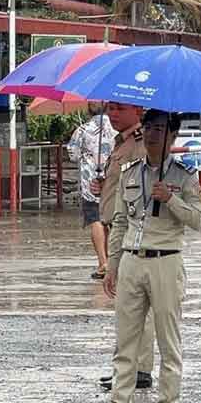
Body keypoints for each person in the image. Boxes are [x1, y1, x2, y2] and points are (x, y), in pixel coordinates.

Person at [90, 108, 201, 403]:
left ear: (172, 135)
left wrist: (171, 199)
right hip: (131, 260)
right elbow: (120, 221)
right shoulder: (130, 173)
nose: (153, 134)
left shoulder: (184, 175)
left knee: (169, 337)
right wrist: (112, 266)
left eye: (159, 128)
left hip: (166, 260)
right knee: (126, 337)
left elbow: (198, 220)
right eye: (149, 127)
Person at [95, 102, 155, 394]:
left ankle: (138, 369)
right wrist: (101, 186)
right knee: (128, 306)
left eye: (119, 109)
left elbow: (140, 188)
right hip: (116, 228)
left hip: (133, 232)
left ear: (137, 111)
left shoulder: (140, 144)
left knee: (135, 306)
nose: (112, 115)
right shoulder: (121, 143)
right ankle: (131, 368)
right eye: (109, 110)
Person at [67, 106, 115, 280]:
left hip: (91, 184)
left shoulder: (82, 130)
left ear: (89, 111)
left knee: (95, 220)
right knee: (113, 220)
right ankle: (114, 262)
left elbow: (72, 153)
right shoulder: (117, 128)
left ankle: (103, 263)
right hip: (114, 181)